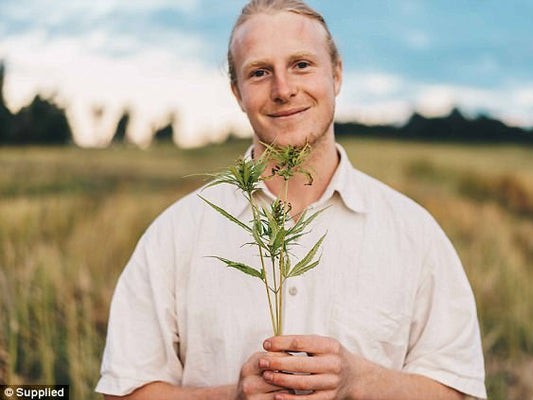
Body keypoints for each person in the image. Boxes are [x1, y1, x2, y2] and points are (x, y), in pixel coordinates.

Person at [96, 0, 487, 399]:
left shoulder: (413, 233)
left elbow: (459, 391)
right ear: (237, 93)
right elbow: (123, 393)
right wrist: (231, 396)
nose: (283, 90)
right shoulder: (176, 234)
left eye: (301, 64)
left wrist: (360, 381)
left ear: (336, 75)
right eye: (260, 72)